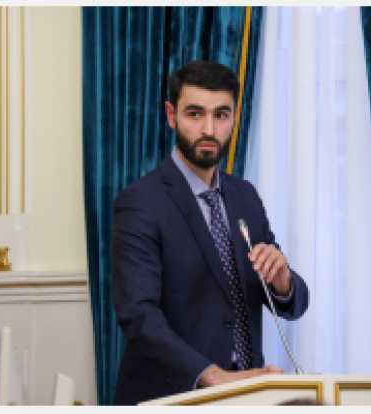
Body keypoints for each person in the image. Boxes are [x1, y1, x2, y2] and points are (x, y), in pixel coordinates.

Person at [112, 60, 309, 405]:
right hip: (174, 397)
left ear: (235, 118)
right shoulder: (140, 202)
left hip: (247, 394)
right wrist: (212, 375)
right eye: (195, 114)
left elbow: (293, 303)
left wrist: (282, 281)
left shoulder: (245, 196)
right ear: (171, 115)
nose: (208, 129)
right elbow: (139, 315)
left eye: (221, 115)